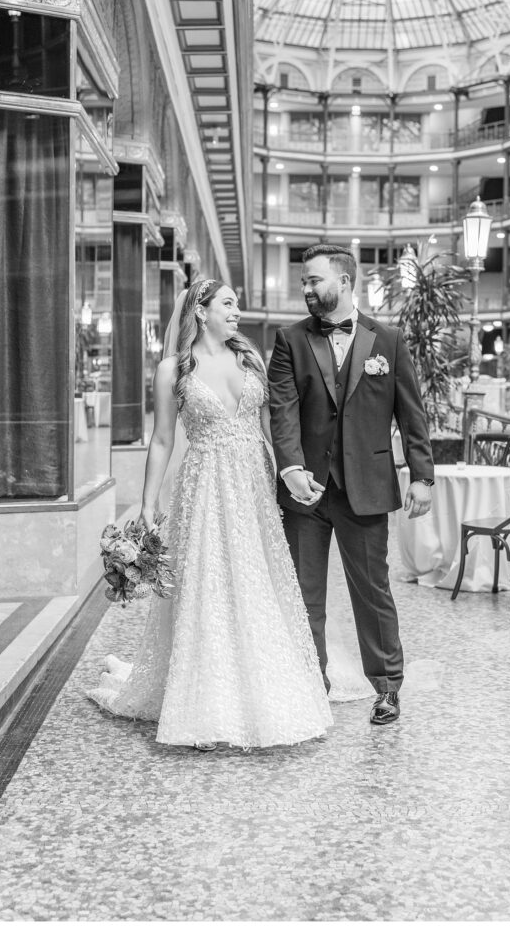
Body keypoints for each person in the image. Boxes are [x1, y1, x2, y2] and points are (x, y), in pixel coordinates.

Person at [88, 278, 333, 750]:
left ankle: (263, 682)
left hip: (252, 487)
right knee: (208, 582)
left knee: (255, 579)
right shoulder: (172, 369)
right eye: (228, 303)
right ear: (201, 311)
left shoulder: (251, 360)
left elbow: (271, 429)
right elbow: (161, 439)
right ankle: (206, 696)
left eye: (237, 304)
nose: (236, 311)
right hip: (203, 485)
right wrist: (146, 501)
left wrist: (290, 474)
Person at [267, 244, 434, 726]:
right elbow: (283, 410)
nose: (306, 289)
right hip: (306, 492)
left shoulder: (389, 339)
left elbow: (411, 413)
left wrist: (422, 476)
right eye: (303, 282)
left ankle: (386, 687)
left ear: (344, 280)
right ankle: (309, 684)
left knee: (372, 589)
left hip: (367, 485)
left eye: (314, 280)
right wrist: (291, 468)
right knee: (305, 593)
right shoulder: (290, 340)